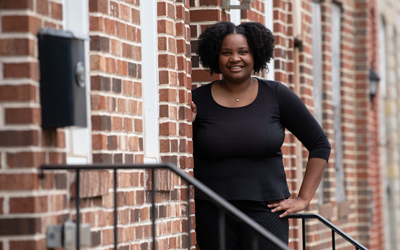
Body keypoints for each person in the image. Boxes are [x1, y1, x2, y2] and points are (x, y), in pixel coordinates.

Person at [190, 22, 331, 250]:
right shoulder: (198, 101)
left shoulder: (276, 94)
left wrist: (303, 198)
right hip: (212, 210)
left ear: (256, 54)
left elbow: (320, 145)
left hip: (266, 210)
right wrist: (188, 125)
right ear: (215, 56)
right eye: (226, 52)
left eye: (243, 52)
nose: (235, 59)